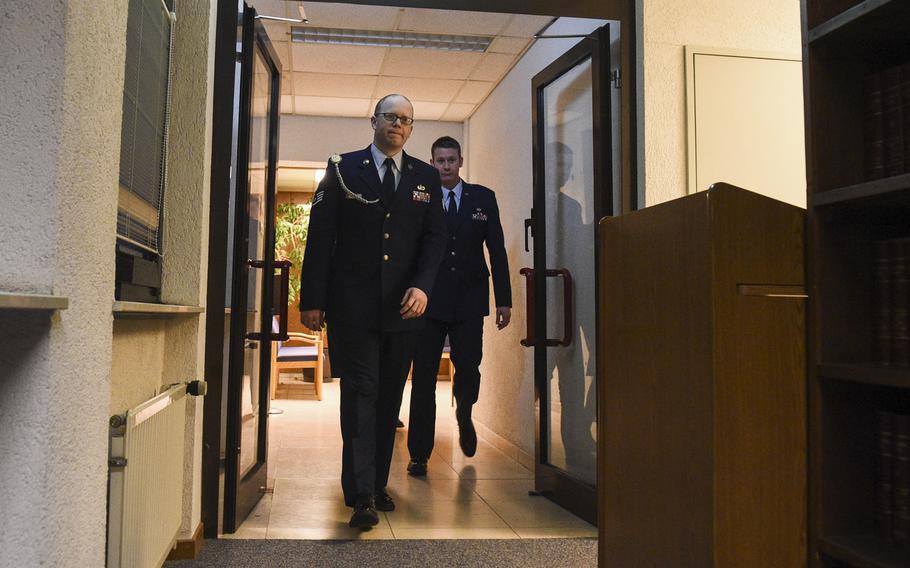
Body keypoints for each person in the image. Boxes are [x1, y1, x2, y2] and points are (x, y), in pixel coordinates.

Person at [299, 94, 447, 528]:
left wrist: (423, 286)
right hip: (354, 309)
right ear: (374, 121)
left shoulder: (424, 176)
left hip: (403, 310)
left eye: (406, 120)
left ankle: (376, 484)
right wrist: (313, 299)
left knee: (387, 399)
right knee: (362, 393)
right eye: (390, 117)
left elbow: (435, 240)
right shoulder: (342, 168)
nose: (398, 125)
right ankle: (362, 494)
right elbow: (321, 237)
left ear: (411, 129)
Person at [406, 136, 512, 476]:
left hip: (469, 300)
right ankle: (419, 452)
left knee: (469, 367)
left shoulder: (483, 198)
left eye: (451, 160)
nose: (446, 166)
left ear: (461, 161)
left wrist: (504, 300)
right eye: (440, 160)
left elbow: (496, 250)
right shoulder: (421, 197)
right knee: (423, 377)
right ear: (432, 162)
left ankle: (465, 412)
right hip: (429, 302)